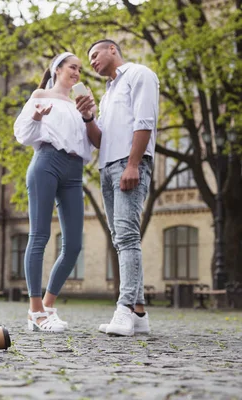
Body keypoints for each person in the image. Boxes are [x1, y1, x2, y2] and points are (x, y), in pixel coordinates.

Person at [76, 39, 159, 336]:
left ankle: (123, 308)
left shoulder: (140, 74)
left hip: (129, 164)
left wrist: (133, 164)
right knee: (120, 237)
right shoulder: (108, 94)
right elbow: (101, 140)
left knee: (126, 236)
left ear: (113, 50)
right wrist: (88, 117)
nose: (93, 61)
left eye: (95, 54)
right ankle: (139, 313)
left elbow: (145, 121)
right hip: (107, 167)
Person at [14, 52, 94, 333]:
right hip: (46, 162)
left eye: (80, 69)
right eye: (73, 67)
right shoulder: (41, 94)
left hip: (74, 172)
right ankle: (35, 311)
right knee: (39, 235)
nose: (77, 73)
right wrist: (35, 116)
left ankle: (48, 306)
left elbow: (92, 144)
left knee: (73, 244)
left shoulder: (78, 104)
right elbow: (22, 134)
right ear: (57, 69)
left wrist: (88, 116)